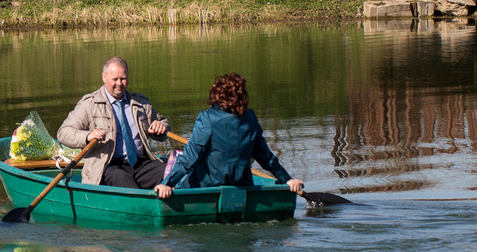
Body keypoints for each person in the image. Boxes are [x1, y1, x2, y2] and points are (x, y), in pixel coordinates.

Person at [154, 73, 303, 199]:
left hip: (207, 189)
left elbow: (190, 157)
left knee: (179, 167)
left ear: (217, 96)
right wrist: (287, 179)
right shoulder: (250, 118)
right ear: (243, 97)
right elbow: (266, 158)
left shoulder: (207, 118)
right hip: (242, 188)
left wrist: (167, 184)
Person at [57, 57, 170, 188]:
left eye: (123, 78)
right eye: (115, 79)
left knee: (172, 173)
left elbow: (164, 124)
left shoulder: (141, 103)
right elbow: (63, 133)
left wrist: (160, 128)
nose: (119, 83)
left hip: (141, 164)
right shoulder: (89, 104)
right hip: (107, 166)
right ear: (104, 77)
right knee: (120, 178)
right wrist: (87, 136)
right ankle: (139, 205)